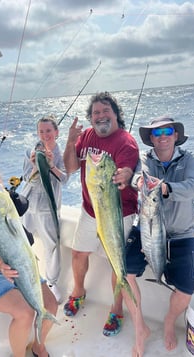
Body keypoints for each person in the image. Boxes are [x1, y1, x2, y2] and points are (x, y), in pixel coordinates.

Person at [63, 91, 145, 341]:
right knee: (78, 253)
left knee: (115, 262)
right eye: (96, 112)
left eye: (105, 111)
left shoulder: (126, 142)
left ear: (116, 115)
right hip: (90, 209)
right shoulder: (86, 136)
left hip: (120, 213)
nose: (100, 116)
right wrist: (69, 142)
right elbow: (70, 167)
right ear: (91, 117)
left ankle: (117, 308)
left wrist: (125, 175)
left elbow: (128, 169)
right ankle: (78, 292)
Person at [0, 151, 57, 357]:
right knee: (25, 313)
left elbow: (22, 206)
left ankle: (38, 346)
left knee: (50, 305)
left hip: (16, 261)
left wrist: (2, 192)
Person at [131, 115, 194, 353]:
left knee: (186, 290)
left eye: (167, 132)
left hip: (181, 233)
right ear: (151, 138)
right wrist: (139, 181)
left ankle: (169, 320)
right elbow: (136, 178)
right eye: (157, 133)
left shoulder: (189, 160)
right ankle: (140, 325)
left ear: (176, 135)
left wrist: (166, 188)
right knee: (124, 273)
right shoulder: (145, 159)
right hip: (147, 228)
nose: (163, 137)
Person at [21, 115, 68, 303]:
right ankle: (26, 278)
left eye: (48, 130)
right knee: (24, 241)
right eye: (41, 131)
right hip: (28, 205)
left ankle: (51, 283)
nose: (45, 134)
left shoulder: (61, 154)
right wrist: (34, 166)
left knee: (52, 246)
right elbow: (26, 178)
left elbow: (64, 179)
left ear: (56, 132)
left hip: (48, 208)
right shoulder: (29, 151)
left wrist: (51, 166)